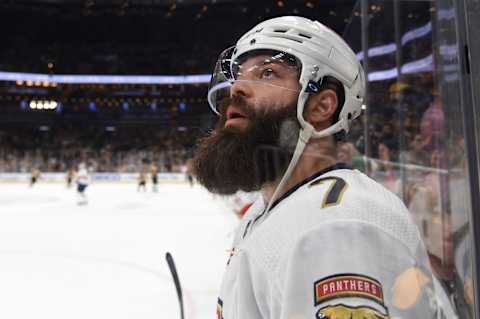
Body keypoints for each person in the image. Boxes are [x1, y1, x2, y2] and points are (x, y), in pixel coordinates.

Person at [192, 16, 453, 319]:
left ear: (321, 107)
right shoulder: (271, 210)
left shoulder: (337, 228)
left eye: (267, 72)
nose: (236, 89)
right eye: (238, 75)